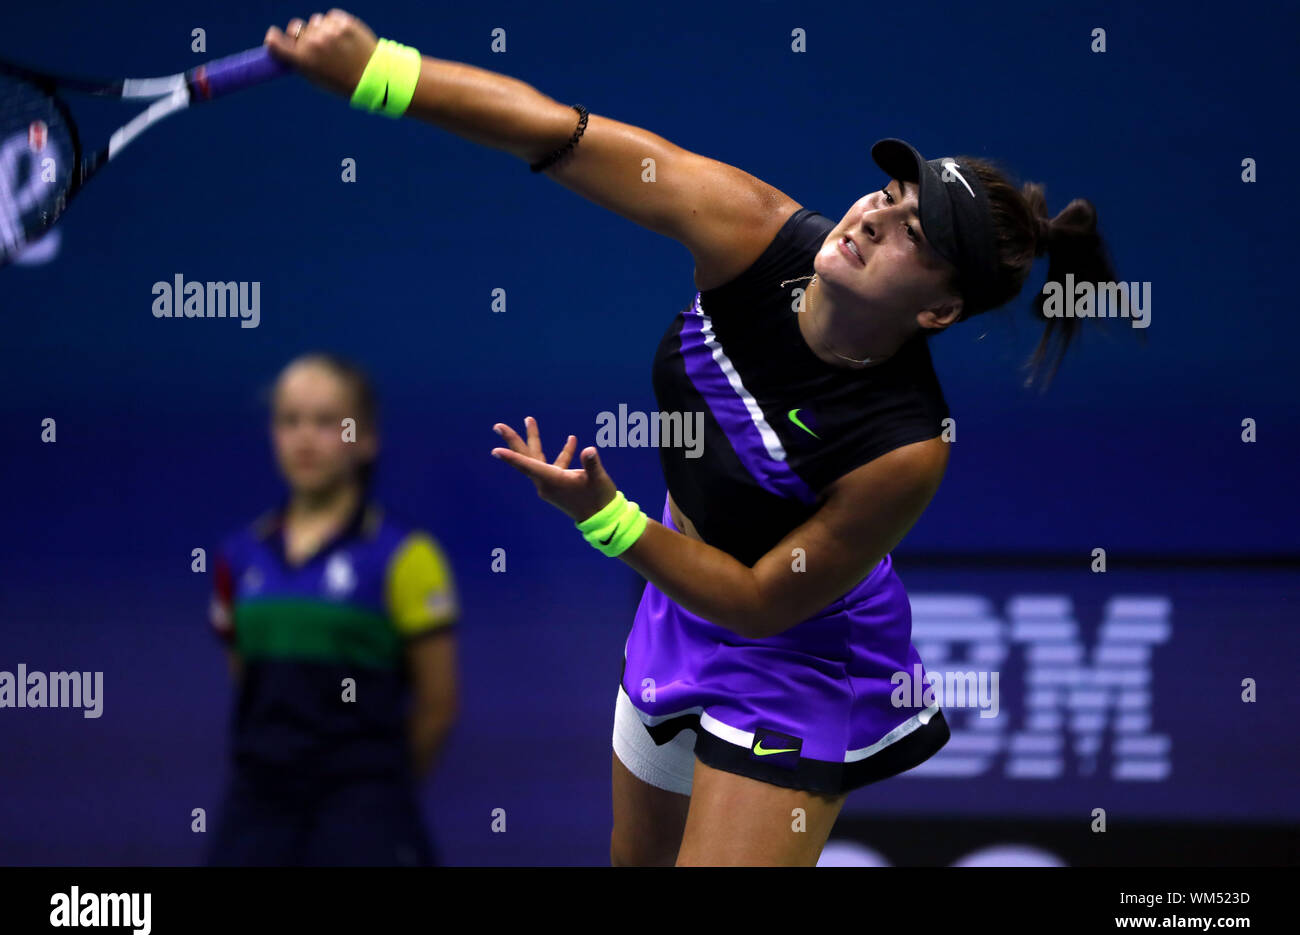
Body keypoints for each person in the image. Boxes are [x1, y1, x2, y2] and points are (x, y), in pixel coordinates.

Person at [263, 11, 1116, 866]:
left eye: (912, 238)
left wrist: (609, 519)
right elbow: (555, 133)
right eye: (887, 198)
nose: (869, 222)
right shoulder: (750, 229)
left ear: (938, 311)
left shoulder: (903, 446)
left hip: (801, 658)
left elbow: (756, 602)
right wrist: (379, 70)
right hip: (680, 602)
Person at [207, 353, 460, 865]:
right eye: (290, 420)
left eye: (327, 422)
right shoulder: (238, 556)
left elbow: (438, 704)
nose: (305, 438)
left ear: (365, 439)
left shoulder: (407, 558)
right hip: (256, 813)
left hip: (366, 815)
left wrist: (375, 795)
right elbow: (247, 678)